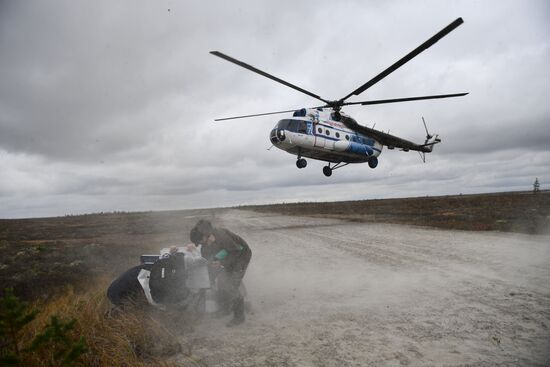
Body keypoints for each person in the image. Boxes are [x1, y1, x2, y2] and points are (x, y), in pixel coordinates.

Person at [190, 219, 251, 327]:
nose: (200, 244)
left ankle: (239, 317)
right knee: (222, 282)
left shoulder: (222, 236)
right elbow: (207, 259)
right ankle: (225, 309)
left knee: (232, 285)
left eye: (200, 241)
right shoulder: (206, 243)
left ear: (205, 235)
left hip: (242, 255)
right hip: (230, 256)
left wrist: (222, 263)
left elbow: (236, 251)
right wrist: (209, 277)